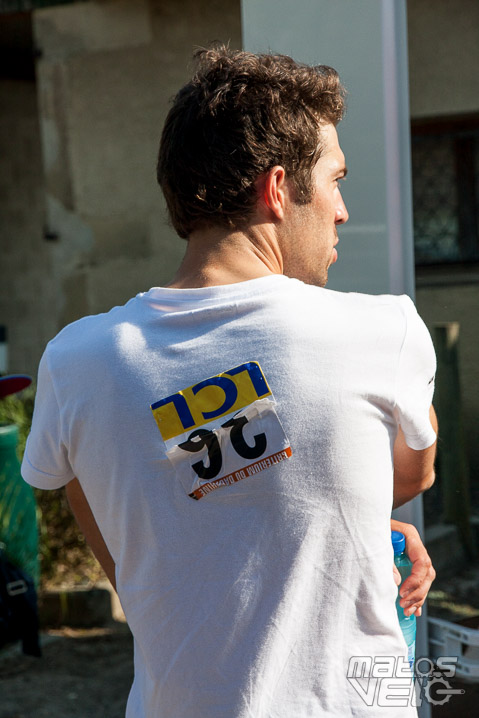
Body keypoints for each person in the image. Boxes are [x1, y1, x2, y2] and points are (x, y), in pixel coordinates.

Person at [22, 47, 437, 717]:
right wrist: (348, 520)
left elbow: (91, 488)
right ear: (277, 189)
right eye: (334, 180)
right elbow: (411, 475)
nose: (341, 210)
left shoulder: (78, 360)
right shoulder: (382, 330)